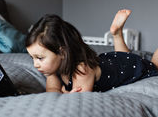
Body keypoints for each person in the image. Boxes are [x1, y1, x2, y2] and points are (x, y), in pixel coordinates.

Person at [25, 9, 158, 93]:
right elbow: (52, 93)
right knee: (124, 56)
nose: (36, 64)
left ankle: (117, 35)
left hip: (130, 66)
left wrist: (64, 93)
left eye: (40, 58)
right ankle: (116, 34)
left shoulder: (82, 70)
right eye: (33, 58)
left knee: (154, 67)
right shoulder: (53, 70)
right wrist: (57, 89)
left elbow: (80, 98)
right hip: (115, 61)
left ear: (62, 53)